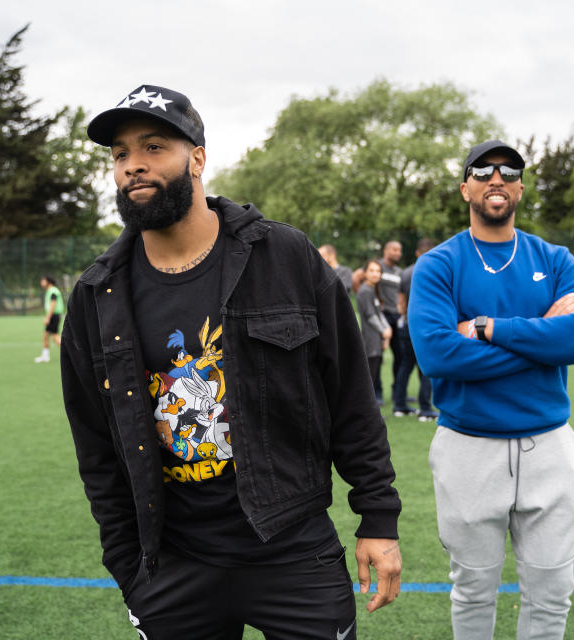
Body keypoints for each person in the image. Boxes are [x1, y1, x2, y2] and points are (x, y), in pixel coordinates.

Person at [60, 84, 401, 640]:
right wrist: (128, 568)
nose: (133, 167)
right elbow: (95, 447)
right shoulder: (96, 296)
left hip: (292, 547)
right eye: (120, 154)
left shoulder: (284, 255)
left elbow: (351, 398)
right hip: (174, 563)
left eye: (153, 147)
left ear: (197, 157)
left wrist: (378, 519)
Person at [408, 140, 574, 640]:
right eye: (484, 170)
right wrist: (542, 336)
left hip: (550, 445)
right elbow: (438, 356)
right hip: (468, 446)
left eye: (510, 170)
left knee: (552, 594)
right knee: (472, 591)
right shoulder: (439, 265)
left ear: (520, 186)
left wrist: (490, 328)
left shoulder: (555, 258)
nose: (497, 178)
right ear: (465, 187)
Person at [392, 238, 438, 421]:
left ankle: (399, 405)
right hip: (426, 325)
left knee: (405, 365)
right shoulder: (433, 270)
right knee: (426, 367)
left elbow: (400, 302)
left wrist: (405, 317)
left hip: (408, 324)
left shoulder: (405, 272)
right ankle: (426, 409)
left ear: (417, 252)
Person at [356, 259, 392, 405]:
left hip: (376, 340)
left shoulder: (372, 290)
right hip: (370, 341)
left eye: (378, 271)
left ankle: (370, 410)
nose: (375, 274)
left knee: (374, 376)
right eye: (372, 270)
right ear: (365, 273)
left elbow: (378, 314)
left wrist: (387, 329)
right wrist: (384, 331)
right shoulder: (365, 291)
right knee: (369, 378)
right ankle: (365, 410)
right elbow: (371, 317)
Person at [378, 241, 403, 403]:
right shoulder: (377, 266)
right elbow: (358, 278)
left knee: (400, 355)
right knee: (376, 357)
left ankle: (398, 391)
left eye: (400, 250)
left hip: (396, 316)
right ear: (386, 250)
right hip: (382, 315)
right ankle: (376, 393)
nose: (398, 253)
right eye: (394, 249)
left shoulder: (399, 271)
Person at [35, 275, 64, 363]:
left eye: (43, 280)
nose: (41, 282)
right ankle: (45, 356)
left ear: (49, 282)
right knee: (46, 335)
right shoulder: (50, 291)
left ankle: (71, 354)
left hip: (54, 316)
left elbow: (53, 304)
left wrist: (48, 317)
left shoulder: (53, 290)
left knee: (55, 337)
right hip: (53, 315)